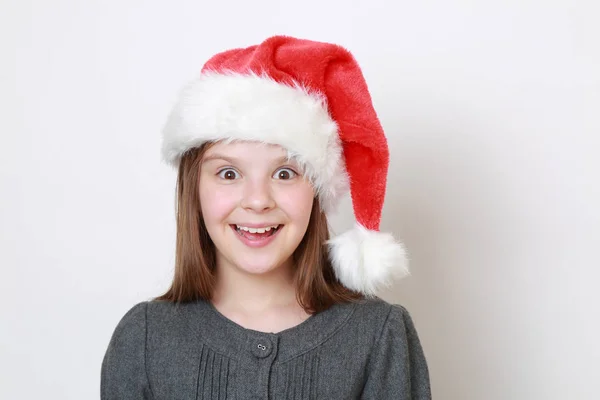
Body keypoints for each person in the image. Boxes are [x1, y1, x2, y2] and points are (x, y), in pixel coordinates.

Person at [101, 35, 432, 399]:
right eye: (228, 173)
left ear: (317, 191)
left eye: (285, 173)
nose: (258, 201)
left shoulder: (379, 336)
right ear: (194, 188)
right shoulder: (144, 339)